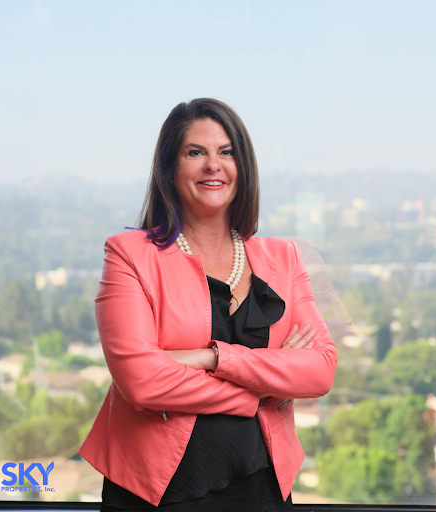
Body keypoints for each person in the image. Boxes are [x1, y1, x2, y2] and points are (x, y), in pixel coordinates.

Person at [79, 98, 337, 511]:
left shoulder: (284, 257)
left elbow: (320, 370)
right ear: (169, 169)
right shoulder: (129, 254)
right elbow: (141, 382)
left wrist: (211, 358)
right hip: (155, 493)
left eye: (226, 152)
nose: (212, 165)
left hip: (262, 488)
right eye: (195, 152)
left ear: (243, 167)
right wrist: (262, 392)